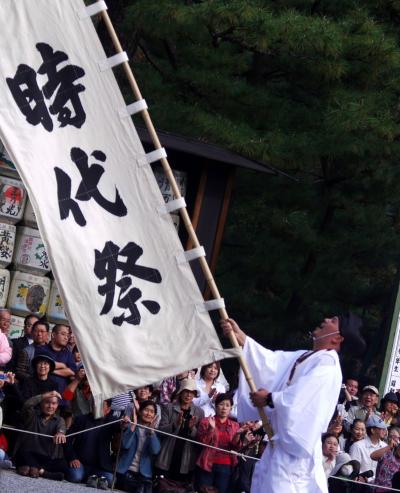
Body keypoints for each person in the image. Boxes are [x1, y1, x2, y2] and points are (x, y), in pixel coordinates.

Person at [221, 313, 366, 493]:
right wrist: (242, 338)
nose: (326, 320)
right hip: (280, 448)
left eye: (333, 321)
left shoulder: (328, 366)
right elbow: (273, 362)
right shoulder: (308, 356)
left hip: (294, 453)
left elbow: (303, 399)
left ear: (337, 338)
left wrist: (269, 398)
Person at [156, 378, 204, 485]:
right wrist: (174, 425)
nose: (188, 395)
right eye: (186, 391)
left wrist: (192, 428)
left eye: (192, 392)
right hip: (168, 453)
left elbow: (200, 438)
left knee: (181, 487)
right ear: (180, 392)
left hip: (186, 456)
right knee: (162, 486)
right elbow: (160, 431)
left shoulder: (199, 412)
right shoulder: (169, 408)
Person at [65, 399, 119, 488]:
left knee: (111, 479)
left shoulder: (111, 422)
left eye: (101, 406)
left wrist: (124, 424)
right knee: (75, 477)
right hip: (80, 463)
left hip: (100, 468)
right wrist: (72, 457)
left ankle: (93, 479)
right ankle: (92, 479)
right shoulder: (81, 419)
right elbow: (67, 439)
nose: (96, 407)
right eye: (95, 404)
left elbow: (121, 427)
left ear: (108, 410)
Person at [196, 393, 243, 493]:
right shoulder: (206, 421)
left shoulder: (235, 425)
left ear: (231, 408)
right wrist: (210, 429)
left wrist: (238, 435)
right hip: (207, 463)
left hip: (226, 465)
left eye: (227, 405)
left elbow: (235, 447)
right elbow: (201, 442)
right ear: (216, 406)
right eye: (221, 404)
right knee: (204, 490)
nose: (224, 408)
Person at [14, 390, 67, 480]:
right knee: (22, 454)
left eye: (54, 403)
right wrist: (44, 395)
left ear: (57, 405)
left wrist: (61, 433)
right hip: (28, 453)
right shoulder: (32, 415)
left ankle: (33, 468)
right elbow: (27, 405)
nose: (50, 406)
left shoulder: (59, 420)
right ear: (41, 403)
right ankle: (42, 472)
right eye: (47, 402)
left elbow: (62, 428)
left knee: (63, 464)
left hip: (45, 457)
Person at [116, 400, 161, 492]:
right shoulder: (129, 427)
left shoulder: (155, 433)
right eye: (146, 410)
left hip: (143, 474)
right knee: (138, 487)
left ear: (155, 416)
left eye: (152, 412)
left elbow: (155, 451)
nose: (148, 414)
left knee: (145, 487)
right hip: (126, 470)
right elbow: (125, 445)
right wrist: (133, 426)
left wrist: (151, 432)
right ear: (140, 412)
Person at [349, 415, 387, 482]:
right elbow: (353, 469)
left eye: (385, 428)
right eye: (381, 428)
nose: (385, 431)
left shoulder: (385, 446)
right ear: (372, 430)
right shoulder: (357, 446)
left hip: (379, 485)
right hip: (361, 485)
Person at [372, 426, 400, 493]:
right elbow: (373, 456)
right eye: (390, 436)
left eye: (395, 437)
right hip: (378, 489)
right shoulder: (386, 450)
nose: (392, 439)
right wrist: (389, 447)